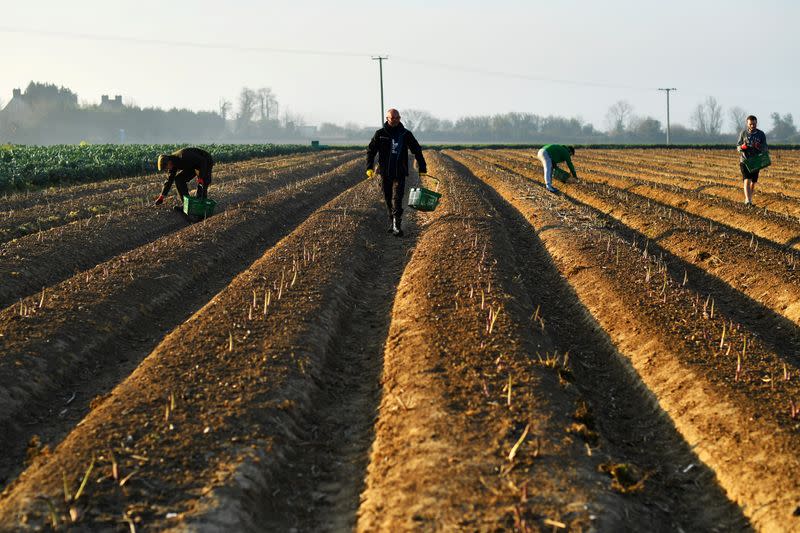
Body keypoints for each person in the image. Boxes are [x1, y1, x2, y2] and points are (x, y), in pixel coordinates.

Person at [366, 108, 427, 237]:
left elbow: (417, 150)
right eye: (392, 118)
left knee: (397, 198)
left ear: (400, 118)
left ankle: (397, 225)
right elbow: (371, 151)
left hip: (400, 171)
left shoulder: (405, 134)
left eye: (397, 118)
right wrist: (369, 167)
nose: (395, 120)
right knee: (388, 198)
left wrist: (422, 168)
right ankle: (392, 220)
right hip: (385, 172)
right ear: (387, 119)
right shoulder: (380, 134)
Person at [737, 115, 768, 207]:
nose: (752, 126)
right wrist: (742, 147)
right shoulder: (743, 134)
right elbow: (738, 146)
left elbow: (765, 147)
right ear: (747, 124)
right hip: (745, 160)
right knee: (747, 179)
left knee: (753, 182)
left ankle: (750, 198)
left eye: (754, 124)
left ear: (756, 123)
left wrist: (759, 146)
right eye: (750, 124)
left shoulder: (761, 134)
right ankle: (748, 200)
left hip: (756, 160)